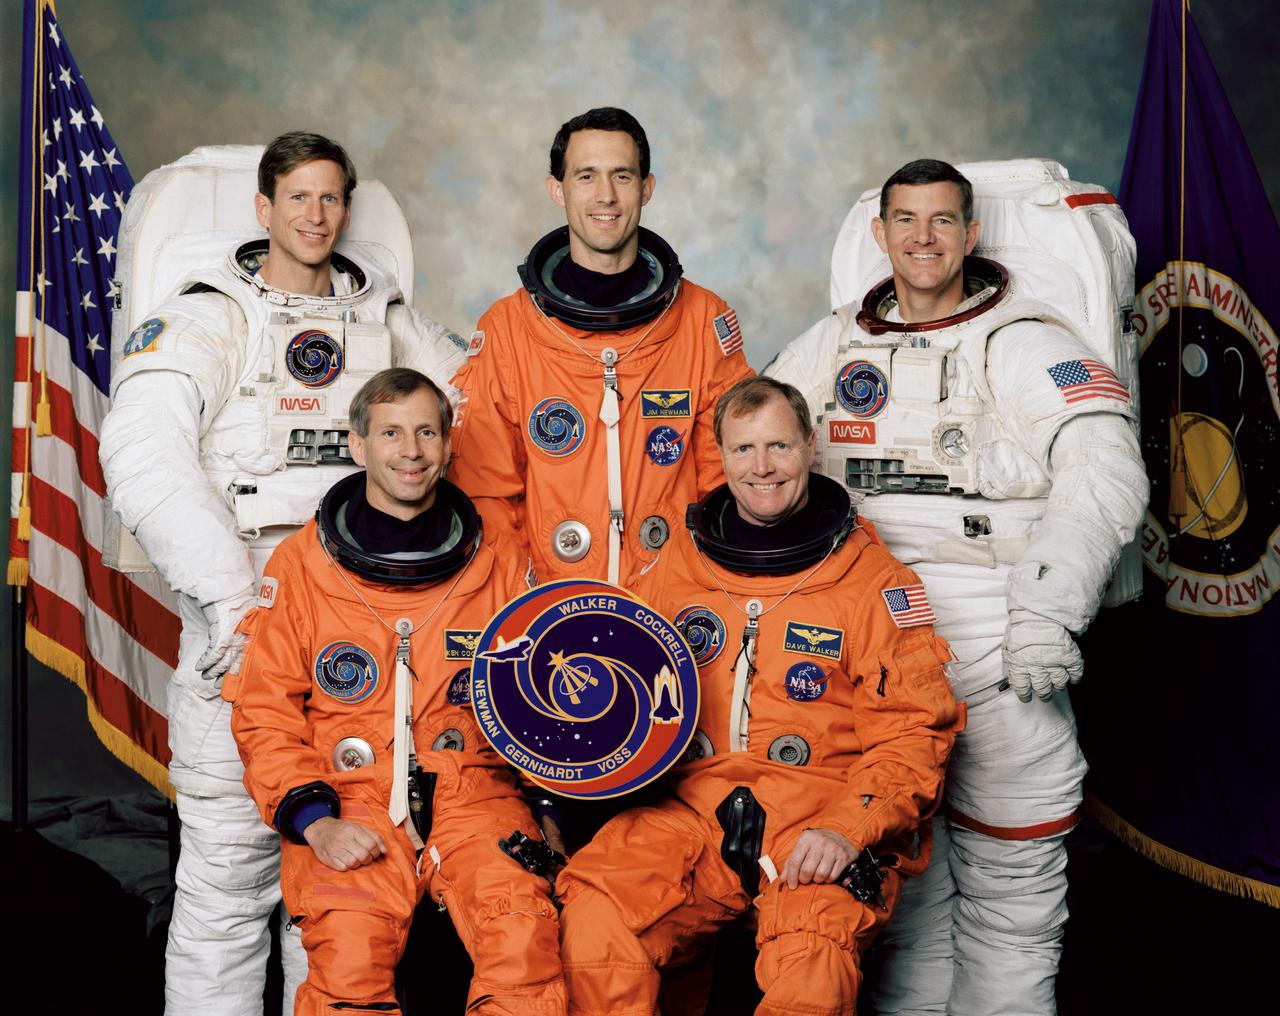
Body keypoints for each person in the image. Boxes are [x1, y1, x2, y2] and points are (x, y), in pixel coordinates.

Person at [767, 159, 1149, 1015]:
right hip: (868, 654)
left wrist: (1049, 609)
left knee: (1011, 888)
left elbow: (1105, 470)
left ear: (972, 234)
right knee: (903, 884)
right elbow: (755, 452)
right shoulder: (833, 344)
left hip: (1001, 640)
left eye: (942, 222)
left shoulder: (1026, 341)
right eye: (906, 221)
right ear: (882, 234)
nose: (923, 239)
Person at [99, 133, 467, 1016]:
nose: (316, 216)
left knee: (339, 891)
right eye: (297, 199)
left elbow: (483, 413)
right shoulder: (207, 317)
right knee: (229, 887)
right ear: (263, 210)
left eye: (331, 199)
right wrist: (233, 600)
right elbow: (143, 455)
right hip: (249, 621)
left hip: (368, 638)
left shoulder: (385, 318)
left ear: (346, 209)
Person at [556, 377, 961, 1016]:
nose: (762, 467)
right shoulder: (675, 567)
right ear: (720, 456)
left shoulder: (873, 581)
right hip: (689, 812)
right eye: (744, 450)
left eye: (779, 446)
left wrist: (845, 829)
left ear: (809, 448)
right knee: (595, 909)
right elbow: (618, 697)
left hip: (817, 817)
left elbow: (914, 734)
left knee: (814, 963)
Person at [225, 368, 565, 1016]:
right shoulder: (302, 564)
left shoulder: (497, 558)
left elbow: (545, 699)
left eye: (426, 432)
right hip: (351, 796)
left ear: (446, 443)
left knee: (525, 944)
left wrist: (548, 810)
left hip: (475, 792)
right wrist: (315, 823)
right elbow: (264, 710)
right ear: (358, 445)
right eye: (391, 433)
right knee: (350, 960)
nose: (411, 450)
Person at [448, 106, 752, 587]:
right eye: (586, 176)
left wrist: (699, 585)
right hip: (548, 601)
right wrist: (525, 593)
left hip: (675, 597)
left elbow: (730, 477)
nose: (605, 196)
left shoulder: (701, 319)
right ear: (557, 189)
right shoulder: (508, 328)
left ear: (647, 188)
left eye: (622, 176)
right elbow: (485, 490)